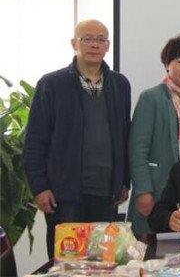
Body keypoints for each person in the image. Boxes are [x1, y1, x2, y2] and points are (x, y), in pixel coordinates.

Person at [23, 19, 131, 259]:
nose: (95, 45)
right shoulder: (52, 84)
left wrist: (124, 180)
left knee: (103, 261)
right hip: (64, 195)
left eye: (101, 40)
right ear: (74, 43)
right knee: (67, 262)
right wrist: (40, 187)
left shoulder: (120, 84)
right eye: (87, 39)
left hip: (106, 193)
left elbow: (125, 135)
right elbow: (35, 141)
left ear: (108, 46)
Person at [127, 36, 180, 248]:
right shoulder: (151, 98)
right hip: (158, 189)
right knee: (152, 251)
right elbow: (138, 149)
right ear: (167, 65)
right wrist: (143, 190)